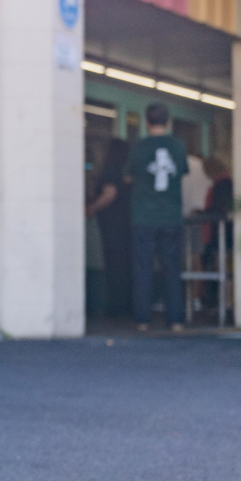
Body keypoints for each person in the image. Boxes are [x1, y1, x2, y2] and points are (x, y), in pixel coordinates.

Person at [126, 103, 189, 331]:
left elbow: (128, 176)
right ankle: (175, 320)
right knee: (172, 267)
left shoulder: (138, 147)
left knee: (143, 268)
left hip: (143, 216)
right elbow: (181, 172)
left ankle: (143, 319)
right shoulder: (178, 146)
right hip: (171, 215)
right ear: (168, 121)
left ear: (146, 122)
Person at [86, 137, 132, 318]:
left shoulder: (111, 168)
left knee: (114, 265)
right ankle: (127, 305)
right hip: (127, 222)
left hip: (112, 224)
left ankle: (116, 307)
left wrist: (92, 208)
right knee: (126, 264)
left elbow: (109, 193)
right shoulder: (128, 170)